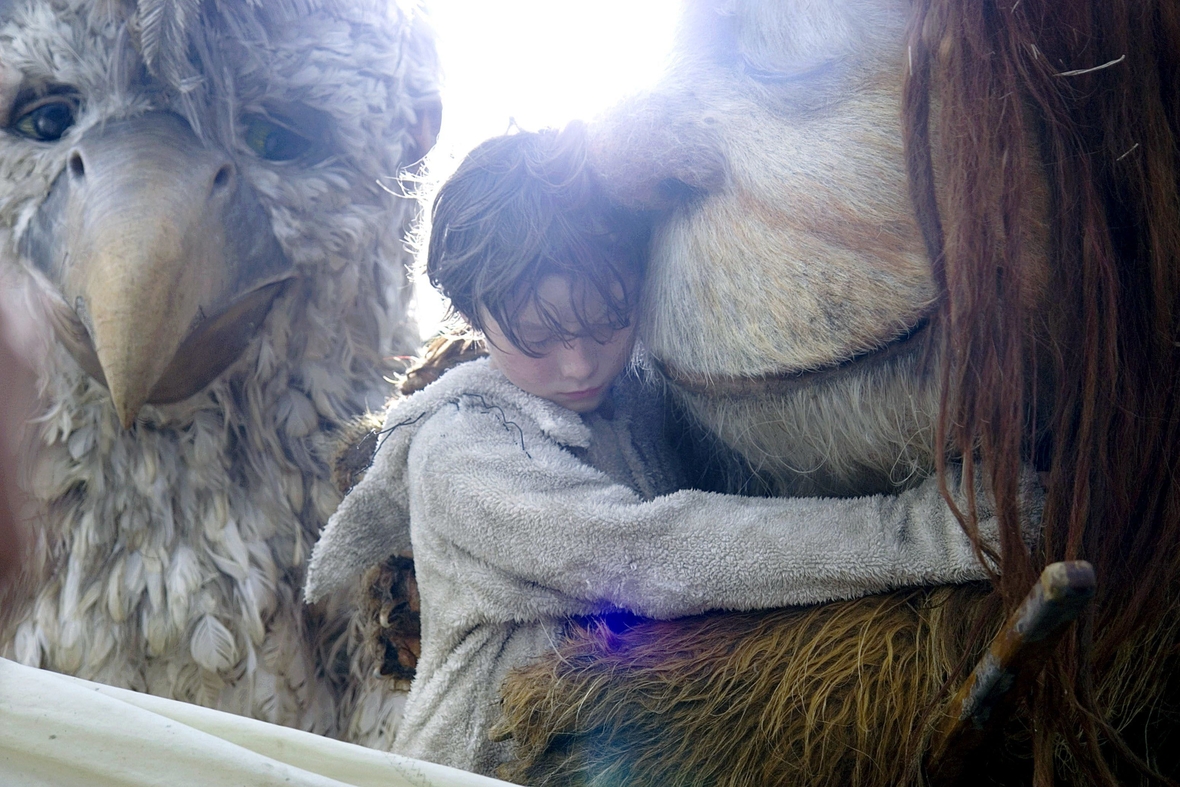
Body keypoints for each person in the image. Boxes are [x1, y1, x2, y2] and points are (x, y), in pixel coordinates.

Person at [304, 125, 1043, 775]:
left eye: (607, 320)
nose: (579, 364)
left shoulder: (633, 397)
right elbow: (652, 553)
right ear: (473, 315)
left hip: (618, 743)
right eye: (537, 338)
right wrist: (928, 532)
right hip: (490, 766)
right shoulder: (463, 450)